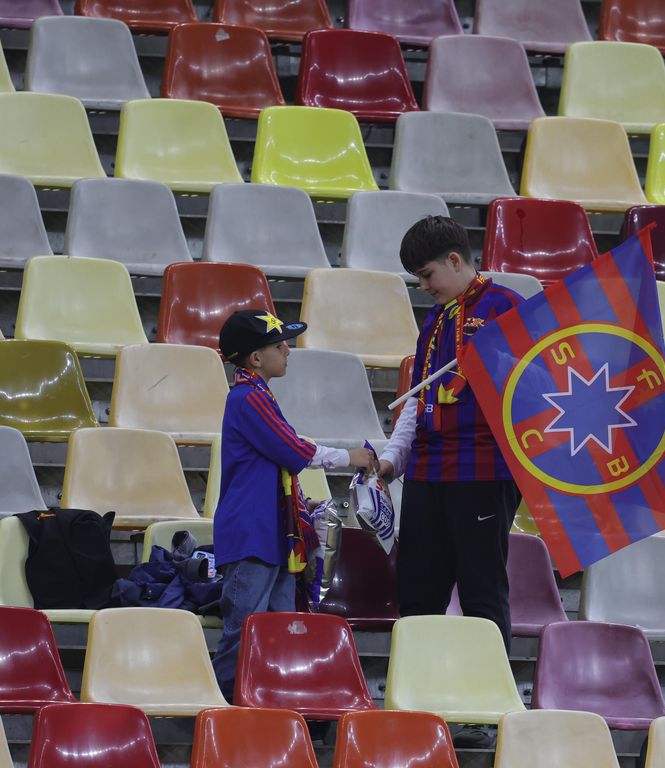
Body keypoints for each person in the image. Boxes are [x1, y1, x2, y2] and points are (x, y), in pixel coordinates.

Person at [211, 309, 374, 700]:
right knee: (245, 628)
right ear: (254, 358)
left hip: (275, 531)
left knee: (279, 627)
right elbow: (292, 449)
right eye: (278, 344)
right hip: (253, 532)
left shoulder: (257, 394)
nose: (288, 349)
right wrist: (349, 456)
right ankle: (218, 704)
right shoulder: (247, 397)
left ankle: (271, 702)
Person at [378, 216, 524, 647]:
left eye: (426, 274)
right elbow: (419, 399)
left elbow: (536, 392)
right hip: (426, 475)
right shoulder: (433, 321)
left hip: (483, 472)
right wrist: (393, 458)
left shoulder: (508, 309)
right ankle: (419, 694)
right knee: (417, 592)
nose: (423, 285)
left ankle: (491, 698)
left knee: (483, 592)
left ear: (455, 260)